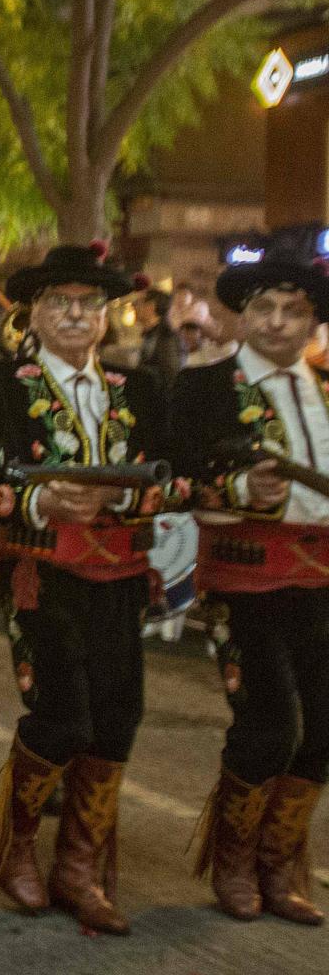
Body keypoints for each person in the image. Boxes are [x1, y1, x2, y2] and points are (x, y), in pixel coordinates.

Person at [0, 243, 180, 934]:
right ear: (32, 313)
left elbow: (174, 478)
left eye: (88, 303)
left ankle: (79, 868)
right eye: (59, 302)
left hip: (121, 571)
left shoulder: (138, 389)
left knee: (120, 714)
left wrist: (123, 502)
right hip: (41, 567)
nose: (74, 314)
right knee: (61, 712)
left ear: (105, 317)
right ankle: (17, 847)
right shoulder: (1, 386)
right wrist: (41, 501)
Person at [171, 237, 329, 925]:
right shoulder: (206, 386)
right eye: (263, 307)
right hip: (245, 573)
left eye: (293, 311)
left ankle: (279, 859)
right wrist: (238, 485)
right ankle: (232, 862)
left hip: (320, 574)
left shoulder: (325, 388)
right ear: (240, 315)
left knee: (323, 727)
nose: (277, 323)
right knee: (269, 723)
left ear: (311, 322)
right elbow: (175, 475)